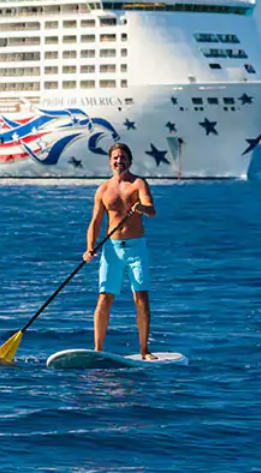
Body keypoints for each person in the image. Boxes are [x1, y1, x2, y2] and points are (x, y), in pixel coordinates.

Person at [82, 142, 158, 359]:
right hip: (111, 249)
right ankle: (98, 349)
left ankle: (144, 350)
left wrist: (141, 207)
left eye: (123, 157)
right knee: (104, 297)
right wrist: (89, 248)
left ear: (129, 160)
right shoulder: (103, 189)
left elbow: (151, 210)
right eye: (115, 157)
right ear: (110, 161)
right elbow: (95, 222)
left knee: (141, 297)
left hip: (136, 247)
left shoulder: (138, 184)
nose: (119, 161)